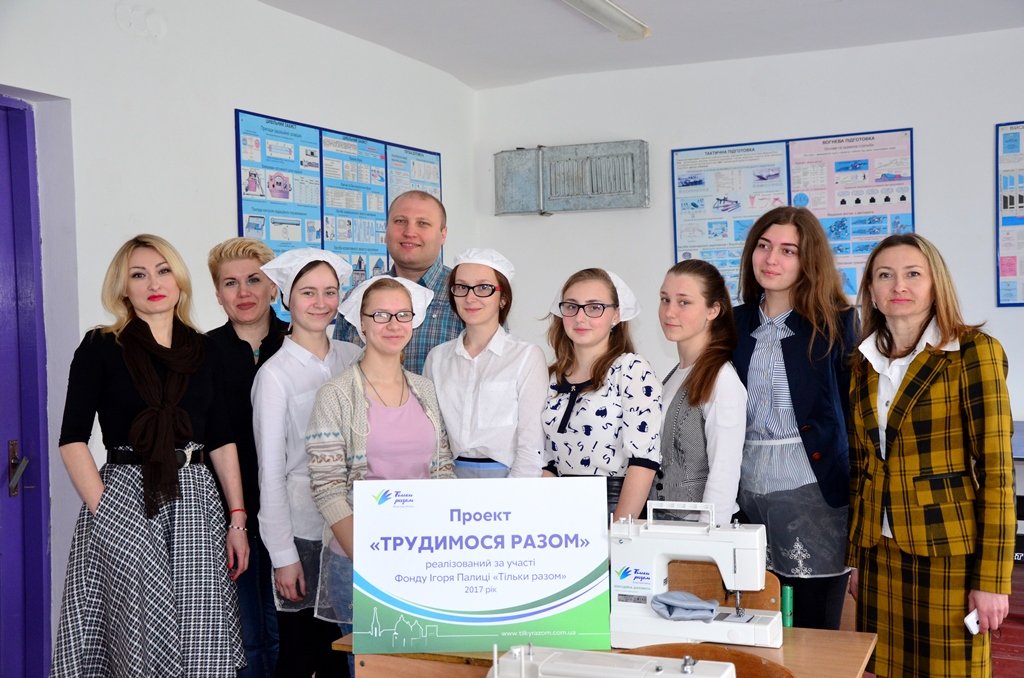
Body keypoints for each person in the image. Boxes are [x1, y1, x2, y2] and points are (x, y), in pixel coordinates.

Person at [52, 234, 248, 677]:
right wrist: (108, 513)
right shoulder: (101, 347)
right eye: (138, 275)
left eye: (163, 271)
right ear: (123, 288)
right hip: (124, 496)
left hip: (195, 499)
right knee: (133, 631)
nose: (153, 283)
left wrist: (237, 520)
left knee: (200, 631)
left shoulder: (205, 350)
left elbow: (221, 439)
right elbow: (72, 440)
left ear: (179, 280)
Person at [847, 234, 1014, 677]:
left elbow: (997, 473)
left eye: (913, 274)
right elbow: (862, 468)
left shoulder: (973, 353)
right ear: (872, 291)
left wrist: (992, 580)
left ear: (936, 284)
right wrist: (855, 558)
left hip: (948, 553)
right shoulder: (862, 363)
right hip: (879, 552)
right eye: (885, 275)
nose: (898, 285)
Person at [306, 276, 457, 674]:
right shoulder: (336, 394)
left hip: (424, 560)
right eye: (381, 315)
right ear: (362, 322)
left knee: (425, 669)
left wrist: (441, 546)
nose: (393, 324)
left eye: (403, 315)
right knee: (376, 670)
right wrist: (373, 561)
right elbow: (327, 489)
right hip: (360, 565)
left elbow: (442, 469)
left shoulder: (425, 390)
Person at [732, 206, 855, 630]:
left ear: (809, 261)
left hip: (814, 492)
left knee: (813, 628)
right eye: (764, 246)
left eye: (788, 251)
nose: (771, 259)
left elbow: (854, 420)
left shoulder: (838, 323)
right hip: (745, 494)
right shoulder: (732, 324)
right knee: (752, 622)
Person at [251, 249, 361, 678]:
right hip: (304, 531)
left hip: (352, 527)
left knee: (343, 653)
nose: (320, 303)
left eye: (330, 292)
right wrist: (283, 555)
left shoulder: (353, 357)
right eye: (308, 292)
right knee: (300, 654)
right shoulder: (274, 375)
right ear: (286, 299)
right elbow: (271, 472)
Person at [206, 237, 288, 677]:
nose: (243, 292)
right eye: (230, 283)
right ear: (217, 294)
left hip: (293, 511)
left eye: (254, 280)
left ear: (273, 286)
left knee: (290, 634)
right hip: (226, 514)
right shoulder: (200, 354)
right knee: (243, 635)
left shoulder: (300, 343)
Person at [541, 268, 663, 521]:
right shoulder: (551, 377)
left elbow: (643, 462)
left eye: (594, 307)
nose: (580, 317)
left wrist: (618, 530)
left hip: (613, 505)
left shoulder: (631, 369)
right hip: (557, 506)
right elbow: (547, 460)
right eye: (571, 306)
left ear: (616, 315)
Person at [423, 248, 547, 478]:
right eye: (461, 287)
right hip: (448, 478)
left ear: (503, 298)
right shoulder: (437, 358)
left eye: (483, 288)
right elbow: (432, 436)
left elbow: (531, 445)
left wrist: (516, 494)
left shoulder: (526, 357)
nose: (470, 298)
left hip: (508, 478)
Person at [654, 260, 745, 524]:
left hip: (698, 527)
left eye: (684, 302)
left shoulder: (722, 379)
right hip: (663, 523)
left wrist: (709, 536)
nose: (669, 312)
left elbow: (724, 471)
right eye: (665, 299)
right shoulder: (673, 376)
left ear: (713, 310)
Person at [334, 190, 463, 373]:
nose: (409, 232)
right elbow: (340, 369)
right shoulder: (358, 297)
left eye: (423, 223)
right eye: (400, 221)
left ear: (443, 234)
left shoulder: (465, 296)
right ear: (386, 230)